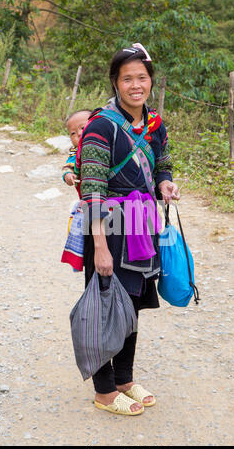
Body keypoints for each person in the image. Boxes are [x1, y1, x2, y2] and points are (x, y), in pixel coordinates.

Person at [77, 44, 180, 416]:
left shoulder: (154, 125)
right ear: (115, 82)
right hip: (110, 229)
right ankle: (104, 391)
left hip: (142, 226)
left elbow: (163, 165)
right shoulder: (101, 126)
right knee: (106, 307)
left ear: (151, 80)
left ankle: (124, 379)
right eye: (127, 79)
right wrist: (100, 248)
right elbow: (92, 191)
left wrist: (165, 184)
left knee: (132, 305)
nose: (136, 85)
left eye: (142, 77)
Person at [62, 110, 92, 186]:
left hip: (116, 185)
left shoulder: (108, 142)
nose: (79, 134)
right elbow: (68, 167)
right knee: (95, 197)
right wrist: (67, 175)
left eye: (83, 127)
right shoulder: (76, 152)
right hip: (91, 188)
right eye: (73, 133)